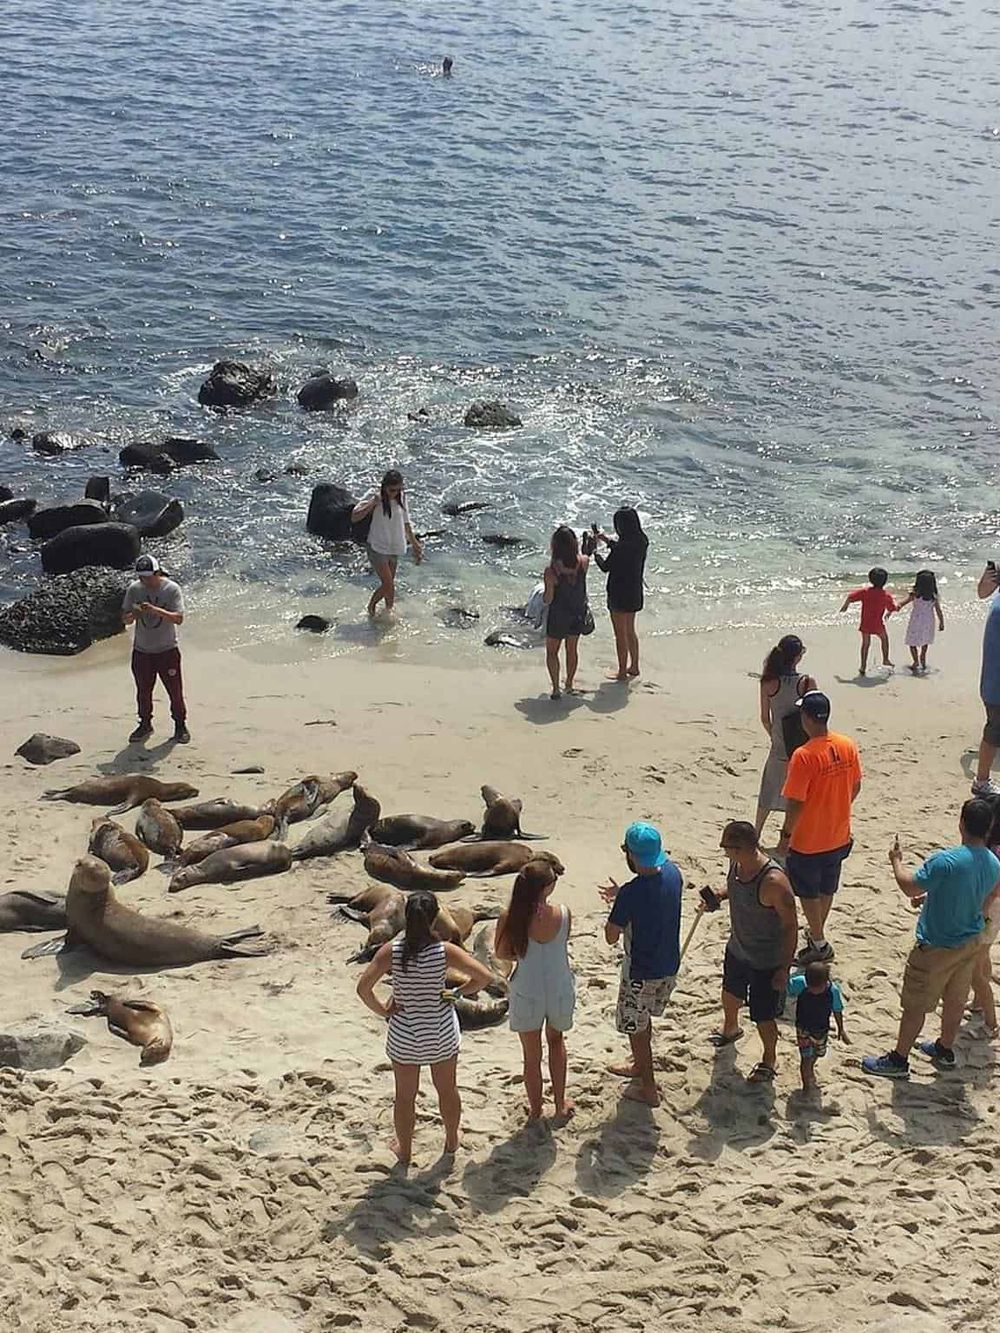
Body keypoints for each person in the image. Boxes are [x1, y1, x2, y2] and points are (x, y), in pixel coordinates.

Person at [863, 800, 1000, 1079]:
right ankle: (944, 1049)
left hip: (937, 944)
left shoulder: (945, 861)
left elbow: (908, 885)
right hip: (970, 941)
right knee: (956, 998)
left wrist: (896, 861)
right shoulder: (994, 862)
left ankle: (899, 1059)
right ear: (988, 829)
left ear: (961, 823)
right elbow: (978, 896)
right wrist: (932, 898)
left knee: (915, 1003)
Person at [356, 891, 493, 1164]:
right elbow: (483, 977)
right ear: (433, 921)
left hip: (406, 1035)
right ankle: (452, 1139)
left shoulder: (391, 952)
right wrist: (456, 994)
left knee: (405, 1098)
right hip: (440, 1032)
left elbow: (363, 989)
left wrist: (384, 1010)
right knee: (447, 1090)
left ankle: (405, 1151)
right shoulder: (444, 951)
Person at [704, 821, 798, 1085]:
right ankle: (731, 1028)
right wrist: (719, 896)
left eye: (727, 848)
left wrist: (784, 969)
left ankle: (769, 1059)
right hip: (738, 948)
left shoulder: (774, 882)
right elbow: (734, 890)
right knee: (730, 994)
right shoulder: (736, 866)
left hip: (766, 960)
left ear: (742, 848)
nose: (724, 852)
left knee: (763, 1016)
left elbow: (791, 926)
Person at [599, 822, 682, 1106]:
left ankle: (648, 1088)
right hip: (669, 964)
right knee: (643, 1021)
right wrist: (623, 895)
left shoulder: (631, 893)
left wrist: (619, 902)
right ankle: (639, 1066)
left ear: (631, 856)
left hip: (641, 973)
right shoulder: (673, 873)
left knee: (635, 1027)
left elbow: (611, 936)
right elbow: (653, 896)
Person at [777, 691, 862, 965]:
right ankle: (817, 936)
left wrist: (786, 834)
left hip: (808, 839)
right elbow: (856, 785)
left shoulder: (803, 755)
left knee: (809, 892)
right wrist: (837, 805)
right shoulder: (847, 744)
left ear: (807, 718)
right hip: (838, 833)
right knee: (827, 888)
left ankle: (819, 940)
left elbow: (795, 802)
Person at [495, 859, 576, 1121]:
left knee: (531, 1055)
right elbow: (561, 942)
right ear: (546, 888)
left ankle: (536, 1109)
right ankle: (560, 1103)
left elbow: (502, 953)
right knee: (556, 1042)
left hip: (527, 989)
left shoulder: (510, 916)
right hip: (559, 985)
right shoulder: (563, 913)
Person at [755, 635, 818, 838]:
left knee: (768, 790)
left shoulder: (768, 682)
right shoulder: (806, 682)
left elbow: (765, 718)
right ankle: (788, 835)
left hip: (779, 745)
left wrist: (775, 735)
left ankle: (757, 832)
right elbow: (815, 714)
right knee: (797, 793)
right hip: (803, 746)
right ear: (798, 657)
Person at [122, 555, 189, 745]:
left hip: (167, 649)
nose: (145, 581)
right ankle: (144, 724)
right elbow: (124, 618)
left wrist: (155, 610)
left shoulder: (171, 589)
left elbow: (178, 618)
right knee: (143, 691)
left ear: (158, 573)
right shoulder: (134, 589)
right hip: (142, 650)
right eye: (141, 577)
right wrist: (134, 614)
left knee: (174, 691)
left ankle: (180, 724)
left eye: (148, 577)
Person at [351, 469, 423, 617]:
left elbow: (406, 521)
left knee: (390, 585)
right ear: (384, 487)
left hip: (394, 546)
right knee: (388, 584)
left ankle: (389, 611)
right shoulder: (374, 496)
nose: (394, 493)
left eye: (398, 490)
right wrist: (373, 502)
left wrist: (415, 543)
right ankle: (371, 607)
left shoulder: (401, 497)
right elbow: (355, 517)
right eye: (391, 490)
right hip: (377, 547)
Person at [593, 506, 649, 680]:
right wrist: (606, 540)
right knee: (630, 631)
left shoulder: (621, 548)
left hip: (618, 594)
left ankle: (622, 671)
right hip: (634, 591)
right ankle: (634, 667)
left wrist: (594, 552)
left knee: (620, 634)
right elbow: (622, 549)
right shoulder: (641, 541)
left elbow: (605, 567)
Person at [543, 525, 592, 700]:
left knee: (552, 652)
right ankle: (569, 684)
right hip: (577, 613)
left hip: (558, 615)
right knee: (572, 650)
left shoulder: (551, 571)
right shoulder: (584, 562)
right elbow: (584, 557)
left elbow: (548, 599)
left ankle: (556, 689)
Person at [787, 962, 848, 1091]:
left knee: (819, 1053)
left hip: (821, 1030)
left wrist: (841, 1029)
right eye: (810, 987)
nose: (813, 990)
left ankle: (810, 1065)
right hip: (803, 1028)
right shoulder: (801, 983)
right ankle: (806, 1086)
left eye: (817, 988)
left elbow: (837, 1010)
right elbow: (786, 986)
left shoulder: (833, 991)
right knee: (805, 1058)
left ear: (826, 982)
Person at [972, 561, 1000, 796]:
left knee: (993, 730)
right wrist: (988, 579)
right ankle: (981, 782)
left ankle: (981, 780)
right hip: (996, 683)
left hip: (992, 680)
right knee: (994, 731)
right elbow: (982, 592)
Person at [840, 567, 896, 676]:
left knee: (865, 644)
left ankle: (863, 666)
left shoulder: (865, 592)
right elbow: (891, 607)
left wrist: (845, 606)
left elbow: (850, 597)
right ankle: (885, 659)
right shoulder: (886, 595)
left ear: (870, 579)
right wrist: (892, 610)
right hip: (877, 623)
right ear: (885, 581)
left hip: (866, 622)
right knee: (884, 639)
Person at [890, 569, 944, 674]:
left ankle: (915, 661)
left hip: (916, 621)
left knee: (912, 641)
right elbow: (938, 611)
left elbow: (902, 603)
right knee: (925, 639)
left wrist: (895, 607)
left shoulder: (915, 594)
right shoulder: (933, 597)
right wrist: (941, 622)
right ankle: (923, 656)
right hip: (928, 622)